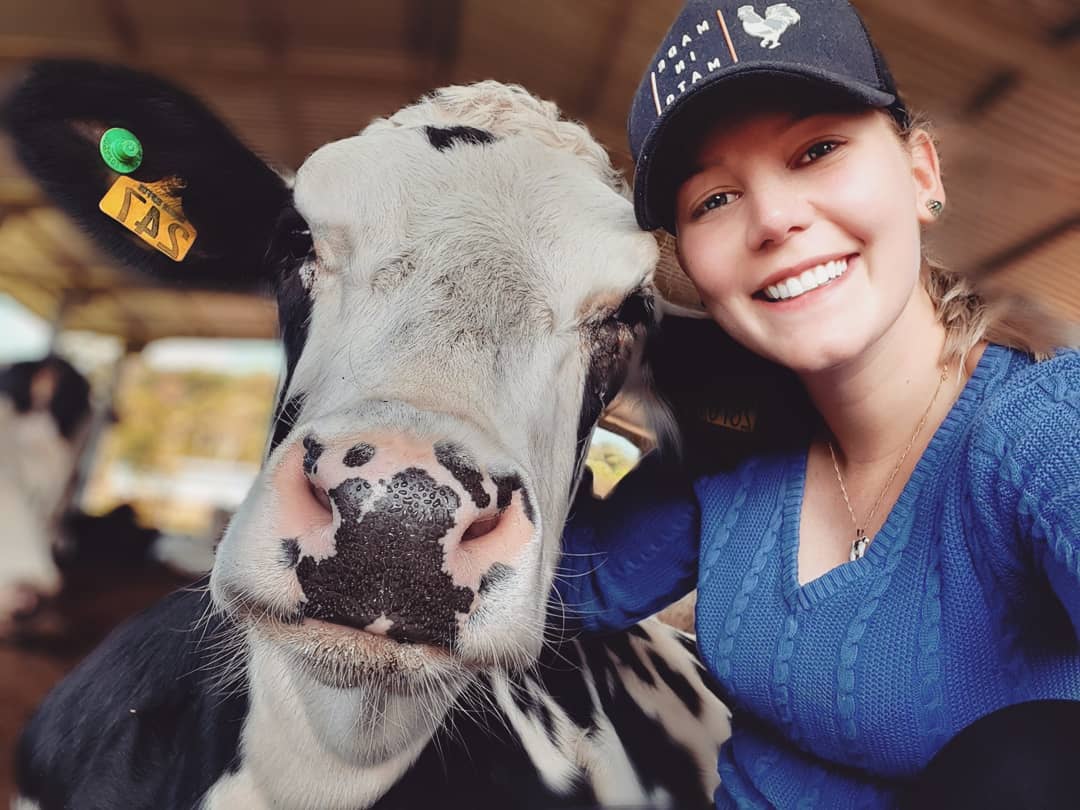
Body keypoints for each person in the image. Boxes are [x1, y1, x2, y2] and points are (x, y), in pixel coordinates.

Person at [556, 1, 1080, 807]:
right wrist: (575, 357)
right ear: (690, 269)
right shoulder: (733, 457)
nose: (773, 219)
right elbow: (558, 588)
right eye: (714, 201)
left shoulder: (1044, 426)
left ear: (921, 176)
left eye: (819, 149)